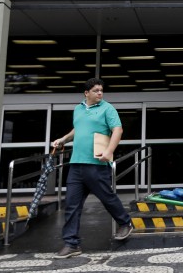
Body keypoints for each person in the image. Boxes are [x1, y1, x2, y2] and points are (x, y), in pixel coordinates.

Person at [51, 78, 133, 258]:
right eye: (96, 90)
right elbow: (77, 129)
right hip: (76, 164)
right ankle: (71, 243)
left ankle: (125, 223)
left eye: (101, 90)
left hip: (96, 164)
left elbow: (117, 130)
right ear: (86, 93)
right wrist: (63, 139)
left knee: (107, 197)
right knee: (71, 205)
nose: (100, 93)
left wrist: (109, 152)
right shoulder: (78, 109)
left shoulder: (107, 108)